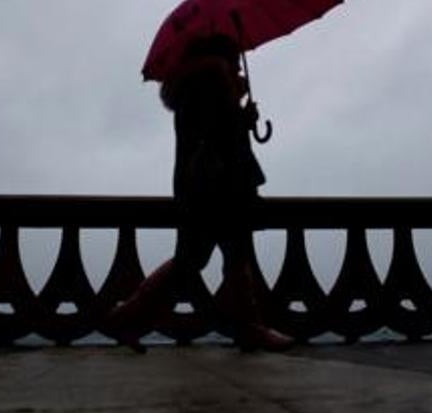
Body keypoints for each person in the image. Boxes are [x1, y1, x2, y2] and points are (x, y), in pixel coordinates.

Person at [106, 34, 293, 352]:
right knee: (231, 254)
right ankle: (250, 329)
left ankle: (124, 319)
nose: (238, 63)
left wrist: (237, 108)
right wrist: (239, 108)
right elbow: (219, 131)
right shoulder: (212, 77)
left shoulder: (195, 81)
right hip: (220, 187)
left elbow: (207, 129)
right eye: (235, 56)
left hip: (198, 188)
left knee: (194, 259)